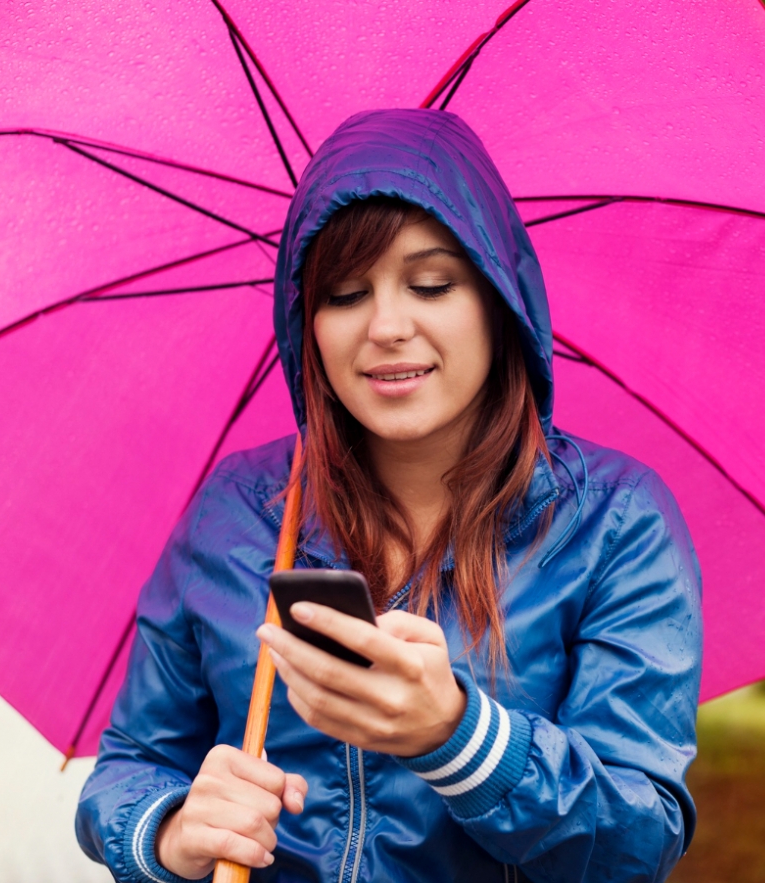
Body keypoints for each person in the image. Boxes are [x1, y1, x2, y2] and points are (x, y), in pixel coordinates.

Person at [75, 108, 703, 883]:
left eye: (431, 283)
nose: (387, 326)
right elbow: (133, 763)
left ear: (497, 299)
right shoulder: (238, 511)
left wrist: (458, 735)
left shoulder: (617, 522)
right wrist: (172, 830)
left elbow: (637, 840)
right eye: (343, 294)